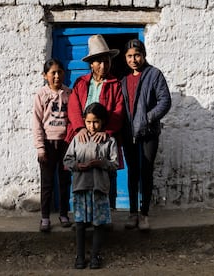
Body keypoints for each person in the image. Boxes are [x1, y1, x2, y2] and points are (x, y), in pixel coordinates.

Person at [65, 34, 124, 210]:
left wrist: (107, 131)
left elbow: (118, 110)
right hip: (83, 136)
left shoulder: (115, 84)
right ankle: (82, 213)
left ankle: (108, 212)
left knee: (107, 174)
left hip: (105, 137)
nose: (103, 65)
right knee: (82, 174)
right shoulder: (81, 83)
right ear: (91, 64)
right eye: (98, 62)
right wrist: (79, 128)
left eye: (106, 61)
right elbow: (74, 106)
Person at [121, 39, 172, 230]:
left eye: (137, 55)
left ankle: (144, 214)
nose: (133, 59)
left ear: (143, 55)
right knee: (132, 173)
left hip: (148, 133)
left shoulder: (154, 75)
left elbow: (165, 101)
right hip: (129, 134)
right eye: (129, 56)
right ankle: (132, 213)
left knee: (146, 172)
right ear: (125, 58)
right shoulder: (124, 80)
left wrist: (147, 118)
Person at [64, 102, 119, 269]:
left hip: (99, 190)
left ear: (102, 122)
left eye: (96, 122)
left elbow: (115, 163)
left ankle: (95, 256)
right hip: (81, 188)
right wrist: (76, 165)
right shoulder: (77, 139)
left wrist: (102, 163)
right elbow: (67, 160)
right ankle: (80, 257)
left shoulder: (109, 141)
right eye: (88, 122)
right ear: (83, 121)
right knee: (80, 223)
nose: (92, 126)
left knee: (98, 223)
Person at [32, 58, 72, 232]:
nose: (56, 76)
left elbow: (73, 119)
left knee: (65, 182)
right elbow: (37, 122)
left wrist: (72, 142)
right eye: (52, 73)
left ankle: (64, 214)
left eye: (60, 72)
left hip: (65, 144)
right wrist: (40, 148)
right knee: (47, 183)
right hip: (48, 144)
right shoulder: (41, 94)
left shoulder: (69, 93)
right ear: (45, 75)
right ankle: (45, 217)